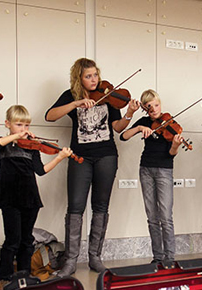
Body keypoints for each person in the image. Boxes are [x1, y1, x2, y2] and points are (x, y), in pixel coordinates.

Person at [45, 58, 141, 275]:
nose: (94, 80)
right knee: (76, 206)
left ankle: (95, 257)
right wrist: (75, 104)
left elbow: (117, 127)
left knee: (101, 206)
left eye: (95, 75)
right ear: (79, 78)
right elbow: (49, 116)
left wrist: (129, 114)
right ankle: (70, 261)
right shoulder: (71, 95)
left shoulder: (108, 94)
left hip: (106, 156)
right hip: (80, 157)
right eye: (88, 76)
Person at [0, 105, 72, 290]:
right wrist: (16, 137)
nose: (23, 129)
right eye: (19, 124)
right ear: (7, 124)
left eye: (26, 125)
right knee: (12, 239)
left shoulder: (33, 147)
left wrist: (60, 157)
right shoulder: (5, 145)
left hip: (29, 197)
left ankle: (24, 274)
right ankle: (3, 278)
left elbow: (41, 171)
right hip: (9, 197)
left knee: (26, 239)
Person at [120, 90, 182, 263]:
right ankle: (158, 257)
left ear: (160, 104)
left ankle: (169, 258)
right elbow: (123, 136)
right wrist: (139, 128)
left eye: (156, 105)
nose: (154, 109)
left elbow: (171, 154)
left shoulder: (170, 123)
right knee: (152, 217)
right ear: (145, 109)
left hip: (164, 170)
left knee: (166, 217)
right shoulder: (145, 122)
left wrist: (176, 145)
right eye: (149, 107)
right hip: (146, 169)